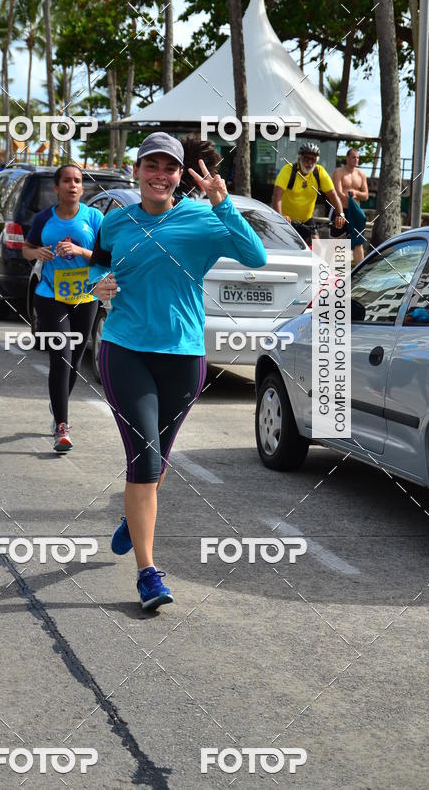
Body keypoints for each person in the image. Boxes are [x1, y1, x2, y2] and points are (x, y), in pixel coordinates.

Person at [88, 132, 267, 611]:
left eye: (170, 168)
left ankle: (134, 515)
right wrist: (97, 284)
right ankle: (148, 573)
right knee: (145, 459)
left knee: (158, 461)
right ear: (138, 170)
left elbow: (256, 257)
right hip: (126, 350)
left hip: (184, 357)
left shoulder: (202, 220)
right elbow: (96, 267)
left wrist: (224, 203)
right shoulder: (115, 221)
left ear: (178, 176)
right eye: (152, 166)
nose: (160, 175)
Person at [22, 164, 103, 452]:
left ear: (83, 188)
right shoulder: (44, 218)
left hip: (85, 298)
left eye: (78, 181)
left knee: (76, 363)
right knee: (62, 358)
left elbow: (105, 258)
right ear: (56, 188)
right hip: (50, 295)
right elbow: (26, 248)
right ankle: (62, 427)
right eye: (67, 181)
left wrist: (81, 251)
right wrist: (38, 253)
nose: (72, 185)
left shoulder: (94, 217)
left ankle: (57, 405)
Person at [271, 141, 345, 240]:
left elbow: (333, 195)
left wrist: (340, 214)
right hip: (286, 220)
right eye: (306, 158)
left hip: (306, 220)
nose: (309, 163)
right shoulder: (288, 170)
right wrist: (280, 216)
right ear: (299, 158)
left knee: (317, 248)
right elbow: (277, 196)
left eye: (313, 160)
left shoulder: (319, 172)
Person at [331, 149, 369, 263]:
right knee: (338, 240)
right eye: (353, 157)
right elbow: (337, 192)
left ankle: (359, 273)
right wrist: (347, 197)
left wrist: (356, 193)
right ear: (347, 158)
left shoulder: (361, 174)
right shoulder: (339, 171)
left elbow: (366, 195)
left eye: (357, 158)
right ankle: (336, 271)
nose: (355, 160)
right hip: (341, 210)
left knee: (358, 243)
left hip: (355, 212)